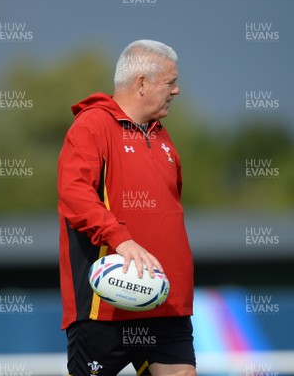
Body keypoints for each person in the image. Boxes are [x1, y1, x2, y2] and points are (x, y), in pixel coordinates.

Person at [57, 40, 196, 376]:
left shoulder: (164, 137)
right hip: (105, 305)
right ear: (142, 83)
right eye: (169, 82)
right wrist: (120, 238)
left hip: (166, 305)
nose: (176, 90)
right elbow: (74, 194)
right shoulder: (92, 126)